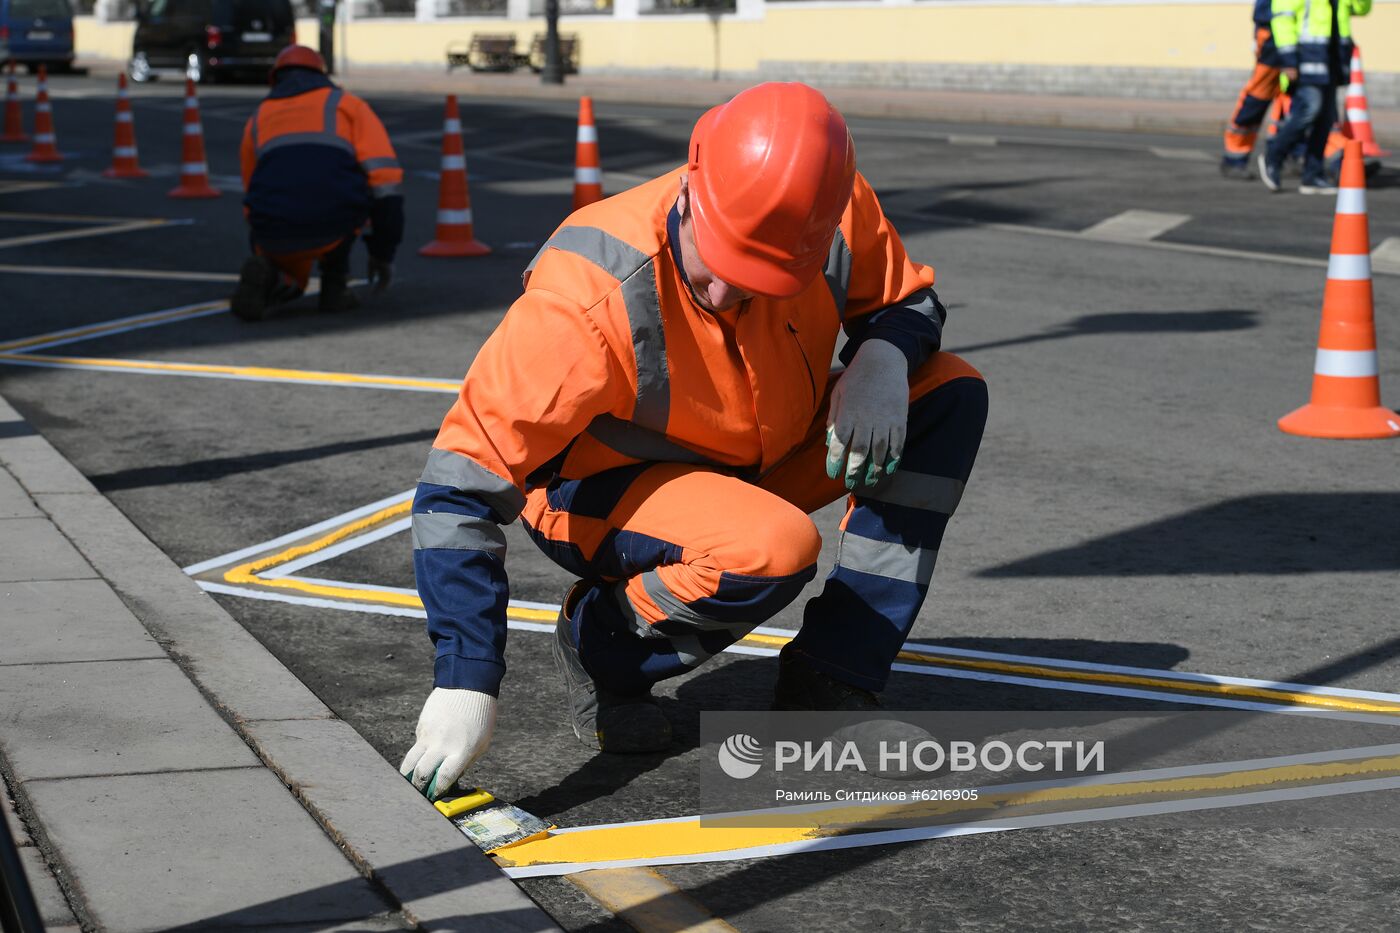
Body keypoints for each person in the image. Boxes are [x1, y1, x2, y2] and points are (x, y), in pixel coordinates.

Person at [398, 82, 988, 799]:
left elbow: (904, 298)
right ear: (691, 187)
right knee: (769, 548)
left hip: (754, 455)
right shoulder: (587, 294)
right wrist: (465, 679)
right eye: (721, 266)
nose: (721, 296)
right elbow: (457, 488)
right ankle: (602, 649)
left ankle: (832, 679)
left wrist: (885, 355)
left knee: (947, 392)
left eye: (756, 283)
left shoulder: (824, 207)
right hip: (599, 489)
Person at [231, 45, 403, 321]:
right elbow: (386, 184)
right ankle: (335, 286)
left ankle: (278, 277)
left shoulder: (258, 117)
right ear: (321, 74)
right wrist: (382, 254)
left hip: (271, 231)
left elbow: (251, 188)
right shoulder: (347, 105)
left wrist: (261, 237)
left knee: (280, 211)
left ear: (275, 78)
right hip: (333, 226)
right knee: (347, 192)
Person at [1258, 0, 1370, 193]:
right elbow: (1282, 20)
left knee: (1325, 119)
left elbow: (1361, 8)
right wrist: (1288, 59)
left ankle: (1312, 175)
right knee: (1309, 109)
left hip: (1333, 58)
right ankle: (1273, 157)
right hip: (1306, 58)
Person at [1221, 0, 1285, 178]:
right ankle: (1235, 157)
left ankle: (1287, 155)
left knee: (1292, 98)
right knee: (1259, 95)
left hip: (1298, 34)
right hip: (1273, 32)